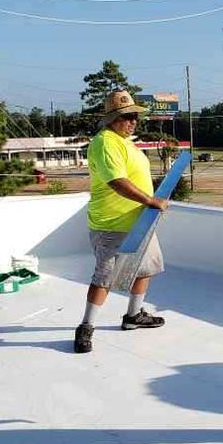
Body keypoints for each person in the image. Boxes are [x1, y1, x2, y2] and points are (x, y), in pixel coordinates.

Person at [74, 90, 169, 354]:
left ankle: (133, 316)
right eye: (127, 117)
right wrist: (151, 201)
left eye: (135, 117)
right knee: (104, 278)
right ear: (113, 119)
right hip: (112, 224)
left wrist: (151, 203)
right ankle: (86, 327)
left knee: (145, 269)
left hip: (140, 221)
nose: (133, 122)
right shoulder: (105, 142)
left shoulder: (127, 142)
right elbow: (117, 182)